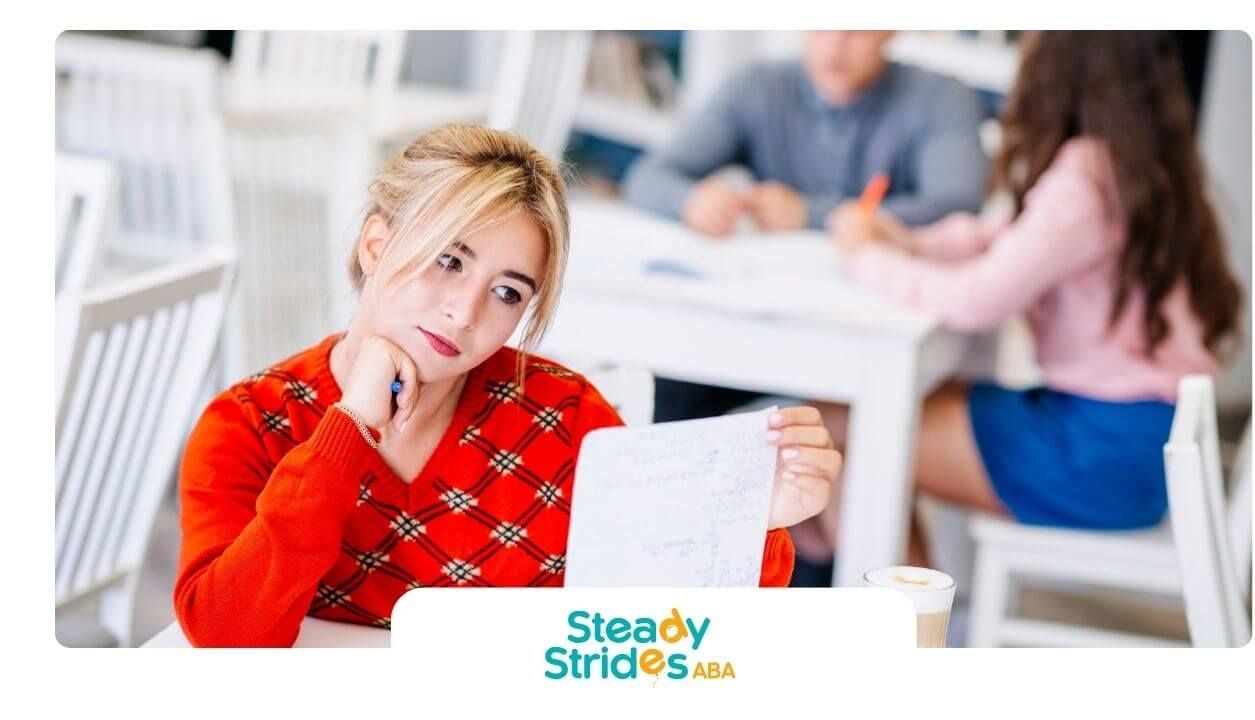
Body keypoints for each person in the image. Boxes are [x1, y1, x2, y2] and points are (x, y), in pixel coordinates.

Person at [174, 125, 843, 647]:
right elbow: (230, 637)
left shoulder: (565, 417)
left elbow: (667, 636)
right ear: (376, 246)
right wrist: (346, 426)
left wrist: (751, 521)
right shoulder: (249, 425)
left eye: (505, 292)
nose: (464, 313)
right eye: (448, 260)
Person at [820, 31, 1242, 565]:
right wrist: (909, 242)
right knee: (880, 413)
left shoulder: (1083, 181)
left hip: (1097, 453)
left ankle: (907, 636)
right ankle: (921, 625)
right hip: (1141, 445)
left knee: (842, 428)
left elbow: (977, 299)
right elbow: (1010, 236)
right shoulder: (1136, 165)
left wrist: (865, 258)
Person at [620, 31, 990, 426]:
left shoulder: (942, 99)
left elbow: (957, 207)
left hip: (872, 336)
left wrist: (810, 215)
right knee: (666, 388)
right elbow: (648, 176)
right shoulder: (758, 87)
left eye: (856, 28)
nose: (835, 45)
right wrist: (690, 200)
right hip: (766, 323)